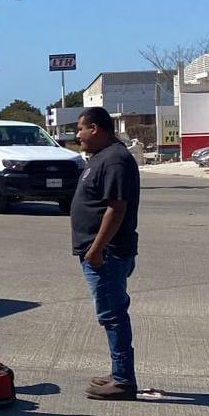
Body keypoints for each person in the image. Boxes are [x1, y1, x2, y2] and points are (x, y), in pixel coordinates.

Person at [71, 107, 141, 401]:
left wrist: (96, 249)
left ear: (96, 129)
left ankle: (124, 380)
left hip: (107, 254)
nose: (77, 136)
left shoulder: (114, 160)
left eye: (80, 130)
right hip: (100, 253)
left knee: (113, 316)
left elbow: (116, 208)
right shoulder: (102, 157)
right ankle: (118, 371)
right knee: (111, 314)